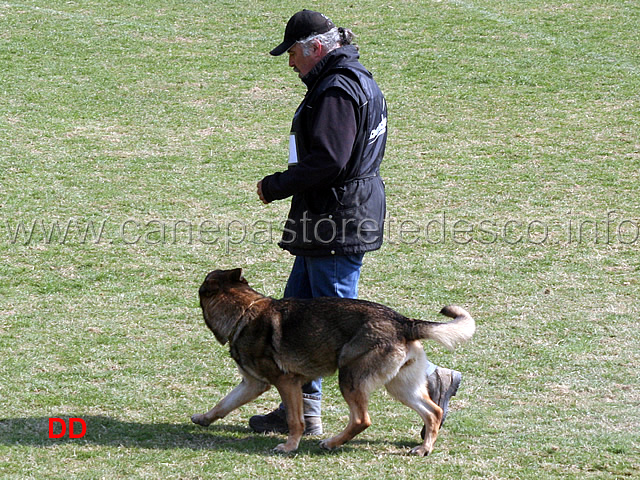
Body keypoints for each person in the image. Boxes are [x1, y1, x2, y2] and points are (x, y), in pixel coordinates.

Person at [252, 9, 462, 436]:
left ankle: (434, 378)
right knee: (294, 322)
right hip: (333, 215)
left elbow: (330, 160)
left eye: (293, 53)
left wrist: (277, 185)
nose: (290, 63)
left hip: (336, 218)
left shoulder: (336, 90)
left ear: (315, 48)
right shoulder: (355, 80)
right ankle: (301, 408)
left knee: (342, 325)